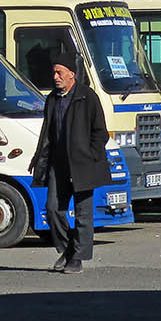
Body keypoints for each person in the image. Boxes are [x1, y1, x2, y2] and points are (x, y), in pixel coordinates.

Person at [29, 42, 109, 273]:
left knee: (84, 213)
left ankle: (77, 259)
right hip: (58, 164)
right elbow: (48, 132)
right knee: (53, 209)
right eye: (54, 72)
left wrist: (91, 154)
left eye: (59, 73)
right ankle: (67, 250)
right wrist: (41, 159)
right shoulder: (52, 99)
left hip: (83, 164)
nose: (55, 77)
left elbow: (100, 131)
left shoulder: (88, 97)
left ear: (71, 75)